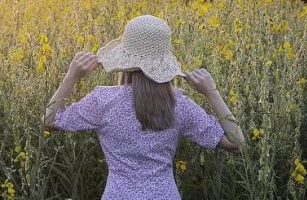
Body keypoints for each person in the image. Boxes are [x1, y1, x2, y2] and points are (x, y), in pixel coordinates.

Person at [42, 15, 245, 199]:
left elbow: (49, 121)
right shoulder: (178, 104)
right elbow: (236, 143)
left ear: (125, 59)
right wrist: (212, 93)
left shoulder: (103, 100)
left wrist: (72, 76)